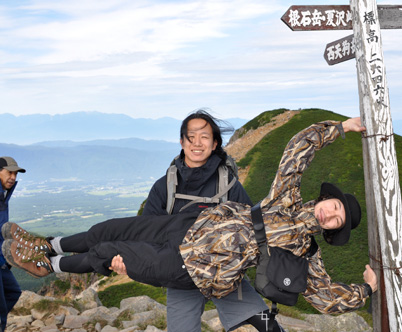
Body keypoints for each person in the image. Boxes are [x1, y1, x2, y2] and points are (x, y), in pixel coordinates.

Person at [3, 117, 377, 319]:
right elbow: (298, 148)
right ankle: (45, 243)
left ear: (334, 229)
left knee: (111, 249)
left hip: (195, 266)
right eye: (334, 206)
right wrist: (339, 129)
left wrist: (369, 289)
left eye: (337, 219)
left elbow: (329, 299)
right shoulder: (287, 198)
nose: (330, 214)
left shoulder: (304, 253)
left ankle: (48, 265)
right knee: (110, 228)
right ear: (324, 199)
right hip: (186, 226)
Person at [131, 110, 280, 332]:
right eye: (192, 136)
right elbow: (146, 233)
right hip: (181, 276)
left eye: (205, 137)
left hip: (227, 277)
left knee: (269, 327)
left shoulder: (229, 185)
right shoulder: (165, 187)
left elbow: (252, 229)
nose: (197, 143)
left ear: (214, 144)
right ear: (182, 142)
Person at [0, 157, 25, 332]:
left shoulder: (4, 195)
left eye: (15, 173)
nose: (13, 177)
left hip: (1, 260)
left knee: (14, 292)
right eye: (9, 172)